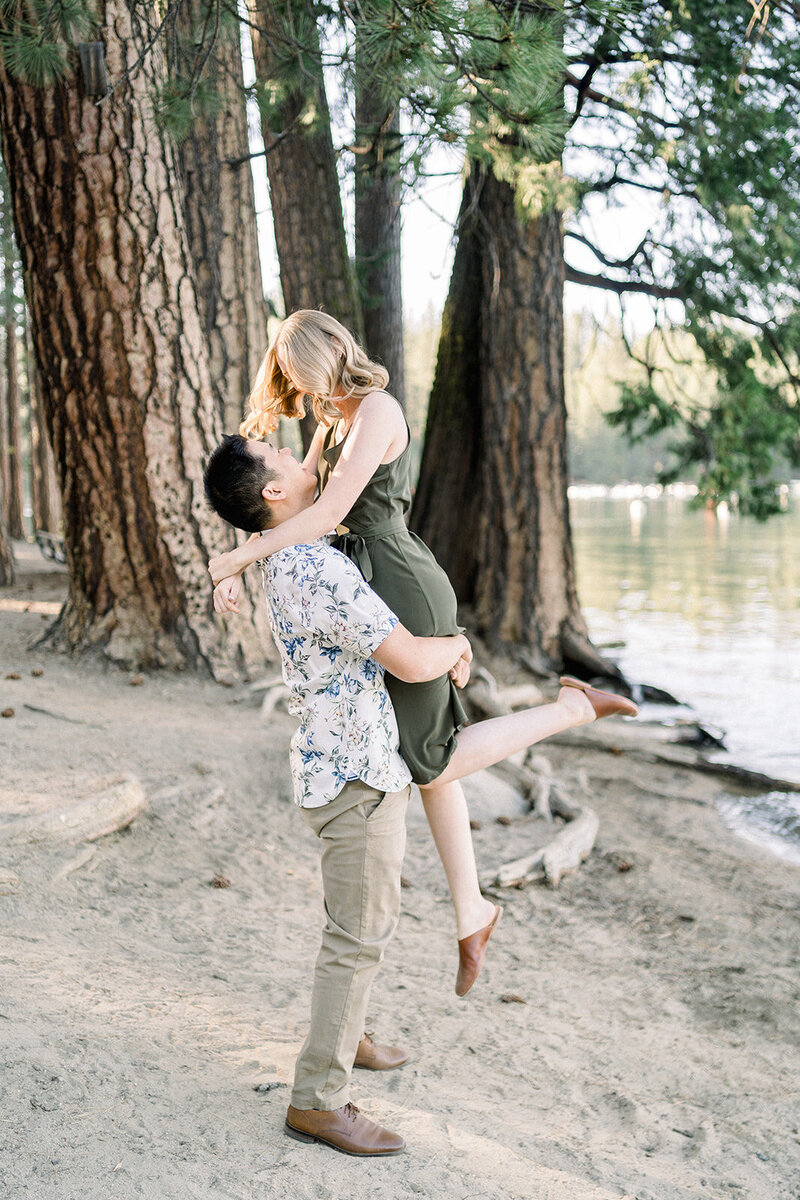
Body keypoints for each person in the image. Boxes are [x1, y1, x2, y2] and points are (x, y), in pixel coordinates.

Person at [203, 434, 637, 1156]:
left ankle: (353, 1035)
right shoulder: (315, 567)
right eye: (277, 450)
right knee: (359, 933)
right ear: (272, 493)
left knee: (356, 921)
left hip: (337, 768)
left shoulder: (289, 553)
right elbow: (408, 657)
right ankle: (318, 1100)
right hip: (356, 780)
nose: (291, 445)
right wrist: (457, 648)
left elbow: (287, 455)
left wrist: (237, 552)